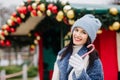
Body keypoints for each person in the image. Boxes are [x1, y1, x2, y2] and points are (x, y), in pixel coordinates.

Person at [52, 14, 104, 80]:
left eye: (83, 32)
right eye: (76, 30)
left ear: (89, 37)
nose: (78, 35)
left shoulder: (93, 58)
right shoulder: (62, 54)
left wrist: (80, 73)